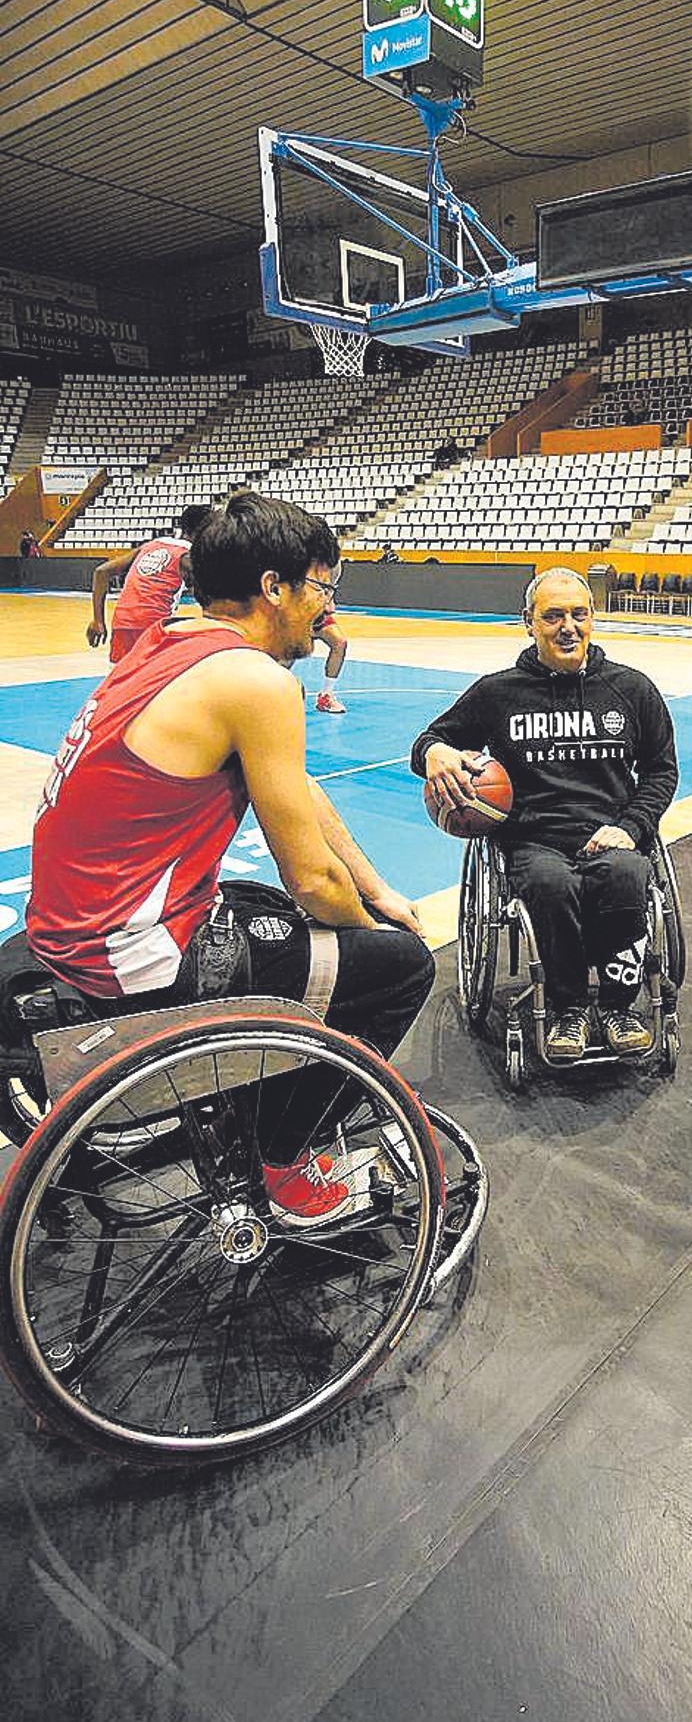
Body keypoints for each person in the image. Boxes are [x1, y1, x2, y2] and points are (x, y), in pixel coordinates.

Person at [27, 491, 434, 1226]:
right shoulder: (256, 680)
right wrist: (369, 930)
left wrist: (379, 889)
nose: (326, 607)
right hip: (132, 959)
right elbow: (311, 878)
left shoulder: (170, 640)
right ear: (275, 588)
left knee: (269, 913)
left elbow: (296, 787)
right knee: (401, 969)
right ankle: (285, 1161)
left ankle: (261, 1100)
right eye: (322, 587)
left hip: (68, 931)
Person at [413, 567, 679, 1060]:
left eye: (579, 614)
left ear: (593, 618)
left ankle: (620, 1006)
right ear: (528, 623)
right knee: (550, 885)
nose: (568, 627)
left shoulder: (633, 689)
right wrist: (433, 753)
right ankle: (569, 1007)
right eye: (553, 616)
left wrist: (628, 829)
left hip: (613, 835)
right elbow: (429, 742)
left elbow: (662, 772)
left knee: (627, 874)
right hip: (534, 841)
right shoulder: (498, 693)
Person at [87, 506, 208, 662]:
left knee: (122, 678)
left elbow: (101, 572)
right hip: (153, 625)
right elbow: (208, 599)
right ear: (204, 531)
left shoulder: (152, 544)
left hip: (122, 622)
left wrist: (98, 620)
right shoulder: (188, 556)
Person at [313, 614, 349, 714]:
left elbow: (330, 607)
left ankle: (326, 695)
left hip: (318, 616)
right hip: (293, 615)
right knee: (286, 654)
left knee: (340, 643)